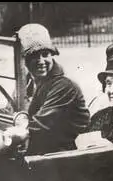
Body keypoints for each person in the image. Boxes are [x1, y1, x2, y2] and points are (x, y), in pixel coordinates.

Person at [17, 23, 90, 155]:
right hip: (44, 145)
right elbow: (17, 109)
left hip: (66, 153)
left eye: (45, 54)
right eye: (34, 56)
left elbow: (41, 124)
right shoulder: (30, 80)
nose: (41, 61)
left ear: (52, 55)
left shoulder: (64, 86)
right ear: (25, 60)